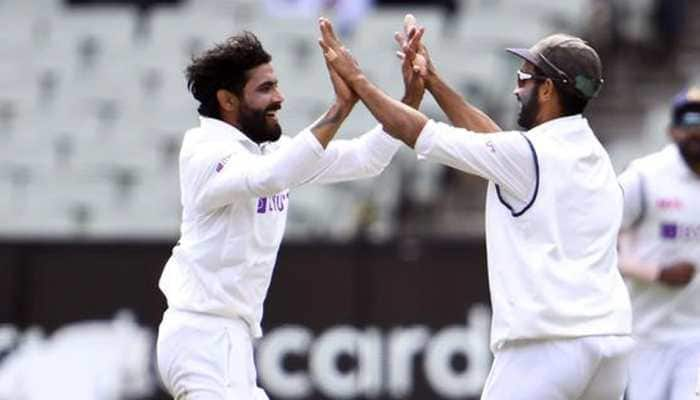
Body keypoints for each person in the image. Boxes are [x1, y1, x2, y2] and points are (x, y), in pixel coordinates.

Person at [318, 16, 634, 399]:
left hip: (546, 347)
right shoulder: (592, 155)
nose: (517, 89)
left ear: (548, 89)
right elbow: (497, 147)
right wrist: (432, 80)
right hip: (610, 346)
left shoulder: (527, 156)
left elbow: (417, 131)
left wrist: (358, 81)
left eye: (524, 78)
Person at [155, 31, 407, 399]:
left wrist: (409, 102)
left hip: (229, 341)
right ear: (227, 99)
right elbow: (271, 177)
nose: (280, 97)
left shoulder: (269, 152)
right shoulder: (205, 151)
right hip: (202, 339)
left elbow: (366, 159)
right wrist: (339, 108)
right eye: (265, 88)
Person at [617, 86, 700, 400]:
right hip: (647, 335)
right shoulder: (645, 176)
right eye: (690, 126)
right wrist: (654, 272)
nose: (697, 134)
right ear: (672, 131)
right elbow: (595, 242)